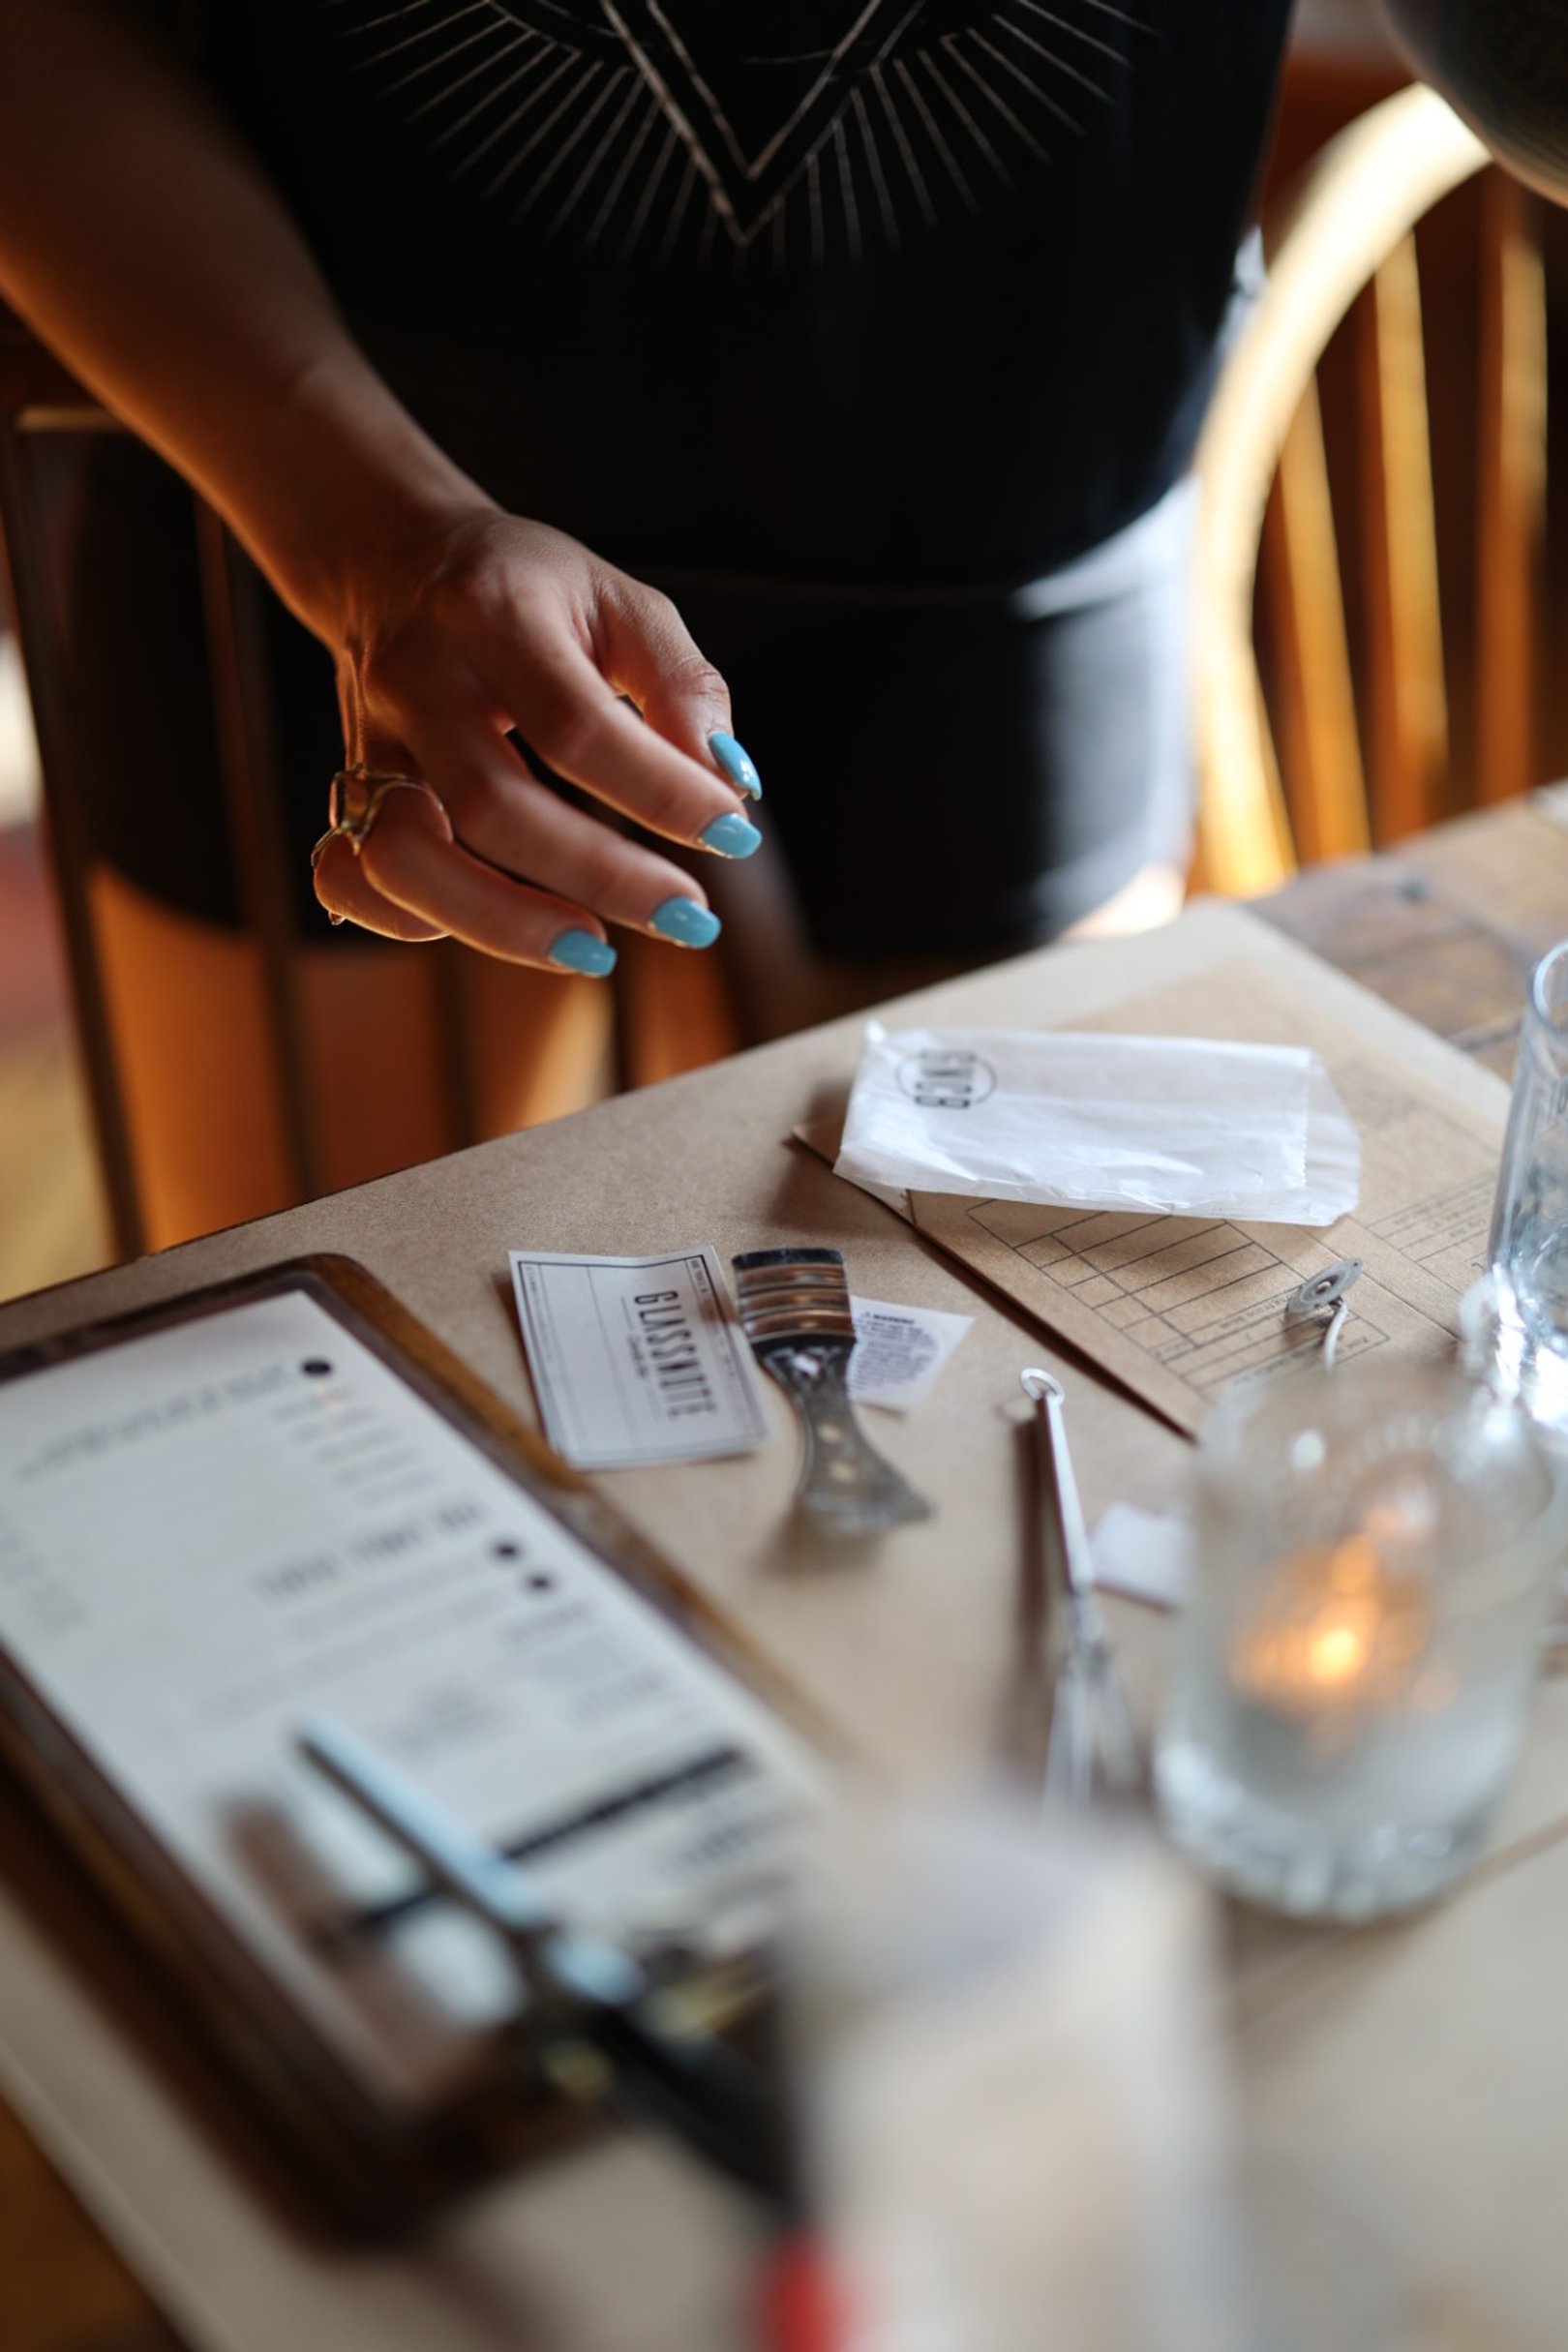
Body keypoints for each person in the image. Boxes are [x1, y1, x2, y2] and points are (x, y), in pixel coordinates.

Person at [0, 1, 1557, 1240]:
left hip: (1010, 554)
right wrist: (371, 534)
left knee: (984, 1415)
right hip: (324, 508)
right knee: (335, 1382)